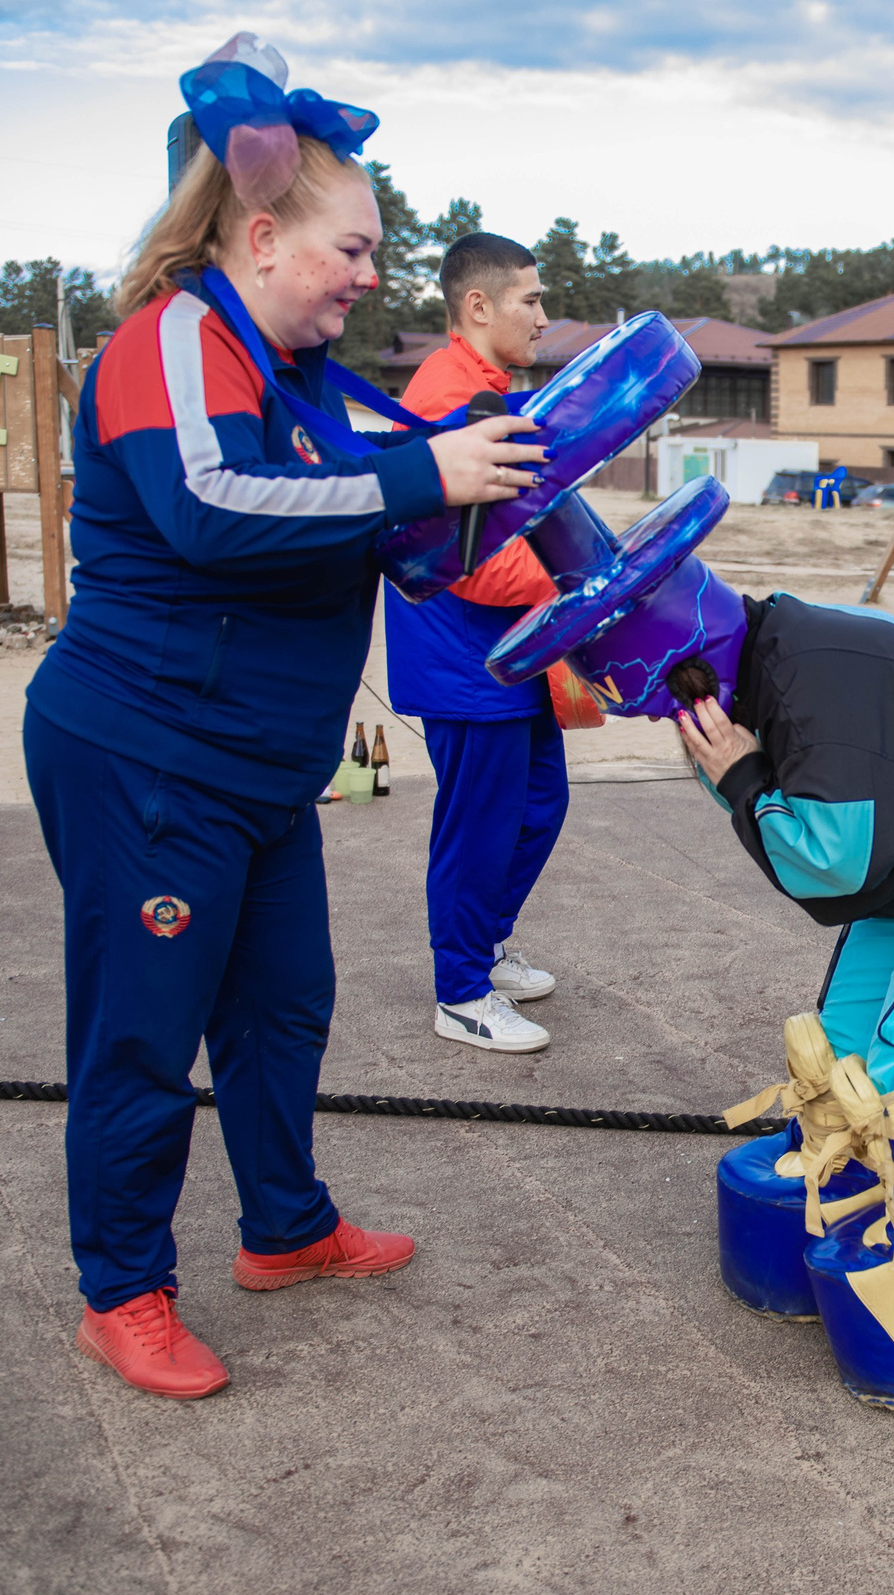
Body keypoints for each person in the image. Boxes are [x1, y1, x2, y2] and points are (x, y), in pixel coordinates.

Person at [21, 32, 543, 1400]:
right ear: (260, 235)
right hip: (147, 752)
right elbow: (211, 507)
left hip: (258, 770)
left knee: (283, 1007)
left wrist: (459, 508)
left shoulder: (305, 380)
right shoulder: (173, 341)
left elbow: (359, 517)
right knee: (140, 1031)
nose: (374, 277)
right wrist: (416, 482)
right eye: (354, 250)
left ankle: (287, 1230)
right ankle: (121, 1289)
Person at [485, 541, 894, 1407]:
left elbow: (830, 867)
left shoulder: (814, 685)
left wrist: (741, 778)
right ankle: (844, 1226)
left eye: (665, 710)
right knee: (839, 1052)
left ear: (691, 673)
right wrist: (745, 775)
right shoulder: (770, 643)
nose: (670, 729)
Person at [383, 233, 566, 1054]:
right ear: (477, 306)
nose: (543, 315)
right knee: (479, 825)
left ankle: (483, 946)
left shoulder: (488, 393)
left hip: (508, 651)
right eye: (529, 299)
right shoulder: (448, 400)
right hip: (465, 655)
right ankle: (459, 991)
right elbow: (472, 563)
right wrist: (571, 589)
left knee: (538, 805)